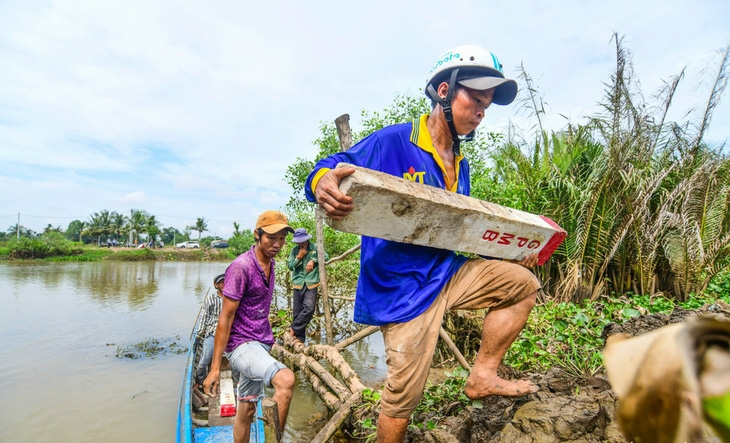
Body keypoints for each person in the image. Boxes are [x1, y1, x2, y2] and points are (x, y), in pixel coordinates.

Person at [304, 45, 542, 443]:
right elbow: (329, 165)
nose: (482, 110)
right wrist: (321, 181)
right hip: (402, 290)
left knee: (521, 284)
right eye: (475, 99)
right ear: (444, 92)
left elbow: (457, 229)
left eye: (487, 104)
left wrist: (517, 248)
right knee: (402, 400)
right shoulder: (394, 142)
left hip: (447, 272)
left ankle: (482, 375)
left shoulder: (460, 162)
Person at [203, 210, 296, 443]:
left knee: (247, 411)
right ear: (257, 234)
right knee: (285, 380)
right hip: (241, 346)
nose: (277, 244)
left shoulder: (271, 262)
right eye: (271, 238)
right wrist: (215, 369)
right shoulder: (241, 267)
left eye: (282, 238)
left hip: (260, 345)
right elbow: (225, 318)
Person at [286, 227, 329, 344]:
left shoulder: (315, 247)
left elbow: (326, 256)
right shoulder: (294, 250)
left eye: (302, 241)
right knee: (297, 312)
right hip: (298, 283)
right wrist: (299, 257)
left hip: (311, 282)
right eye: (298, 242)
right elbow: (290, 265)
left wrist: (313, 260)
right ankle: (299, 339)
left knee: (309, 308)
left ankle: (293, 328)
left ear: (306, 239)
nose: (300, 243)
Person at [194, 273, 225, 396]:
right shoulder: (211, 299)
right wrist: (199, 334)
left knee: (235, 363)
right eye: (221, 282)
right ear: (216, 285)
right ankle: (200, 381)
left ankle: (238, 384)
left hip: (228, 333)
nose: (223, 284)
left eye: (225, 281)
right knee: (204, 360)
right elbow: (204, 317)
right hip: (213, 332)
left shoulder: (232, 298)